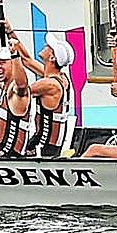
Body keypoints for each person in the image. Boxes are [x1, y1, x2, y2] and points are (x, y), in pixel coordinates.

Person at [6, 23, 74, 158]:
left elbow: (21, 88)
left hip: (42, 149)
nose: (45, 46)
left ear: (52, 57)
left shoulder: (50, 85)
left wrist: (13, 58)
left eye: (49, 47)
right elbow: (27, 60)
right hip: (49, 146)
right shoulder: (59, 77)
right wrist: (10, 31)